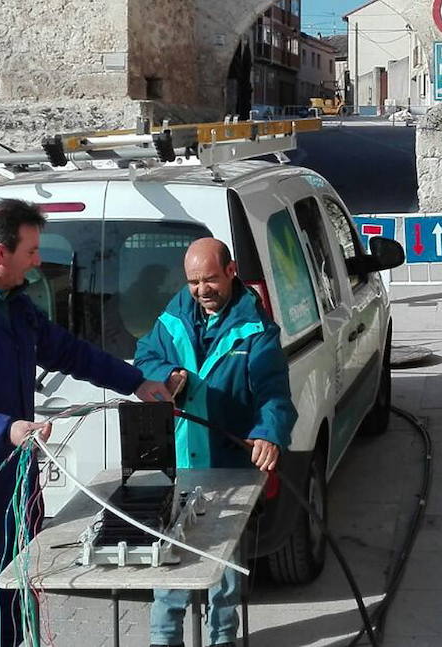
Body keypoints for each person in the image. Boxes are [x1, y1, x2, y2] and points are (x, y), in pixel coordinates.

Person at [0, 198, 175, 647]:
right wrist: (5, 429)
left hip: (15, 475)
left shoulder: (14, 304)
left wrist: (136, 382)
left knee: (13, 588)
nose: (38, 261)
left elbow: (69, 351)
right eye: (31, 251)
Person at [134, 237, 297, 647]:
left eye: (210, 279)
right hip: (178, 466)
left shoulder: (256, 330)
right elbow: (144, 358)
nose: (202, 290)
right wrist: (168, 374)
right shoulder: (172, 319)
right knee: (168, 568)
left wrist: (268, 434)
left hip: (230, 469)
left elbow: (274, 395)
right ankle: (163, 641)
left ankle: (221, 641)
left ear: (231, 271)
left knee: (223, 577)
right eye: (193, 281)